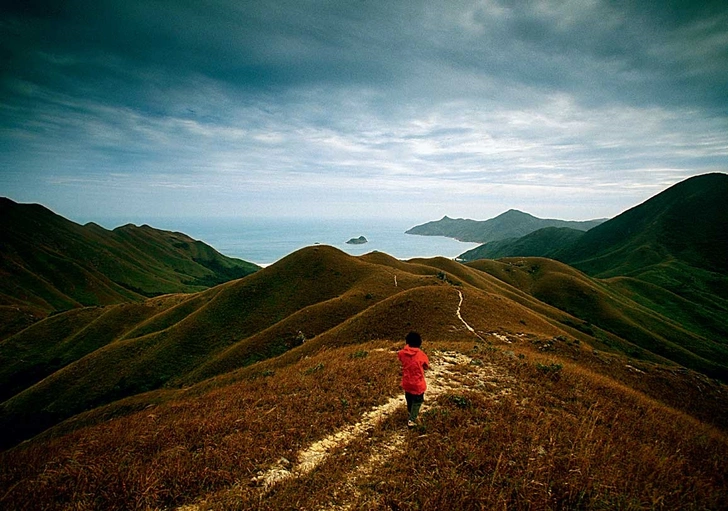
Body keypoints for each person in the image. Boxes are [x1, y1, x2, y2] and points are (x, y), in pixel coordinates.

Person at [398, 331, 430, 429]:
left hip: (407, 382)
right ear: (419, 342)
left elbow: (400, 358)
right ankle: (412, 420)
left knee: (409, 399)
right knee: (418, 400)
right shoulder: (421, 354)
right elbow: (426, 366)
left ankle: (410, 413)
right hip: (417, 383)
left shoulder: (402, 353)